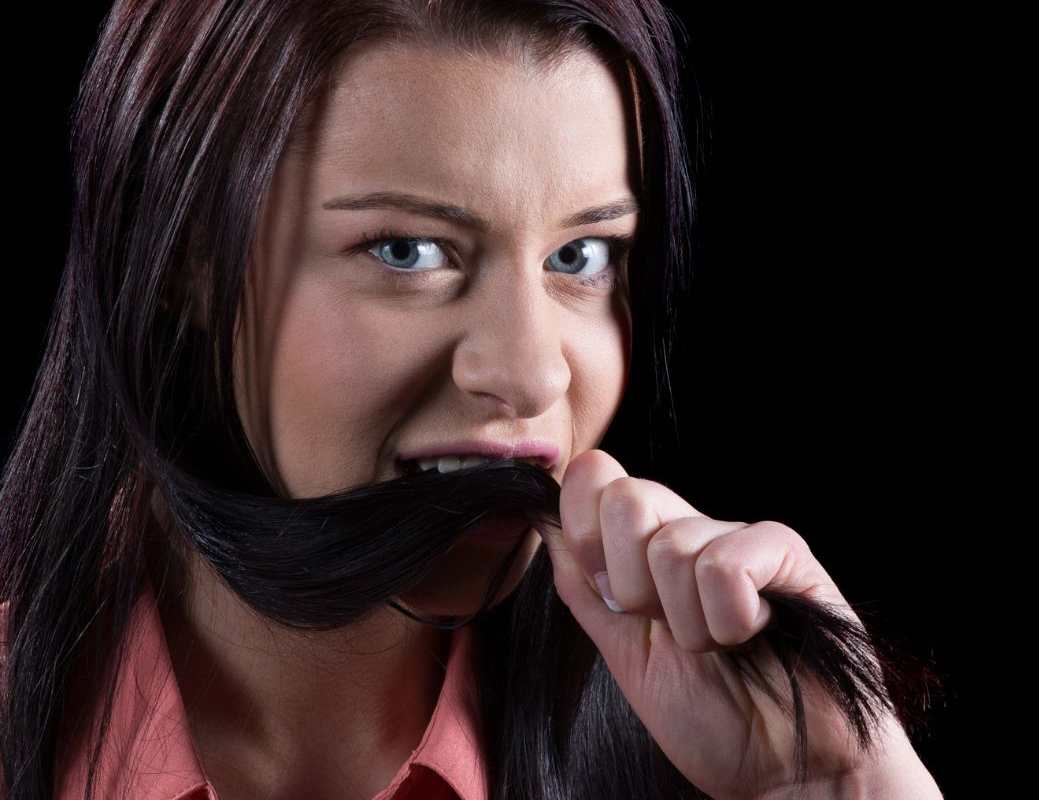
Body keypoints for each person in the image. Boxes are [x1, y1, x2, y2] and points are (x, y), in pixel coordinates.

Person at [0, 1, 944, 798]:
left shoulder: (713, 755)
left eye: (581, 258)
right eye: (407, 251)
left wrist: (841, 787)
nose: (535, 377)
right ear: (185, 263)